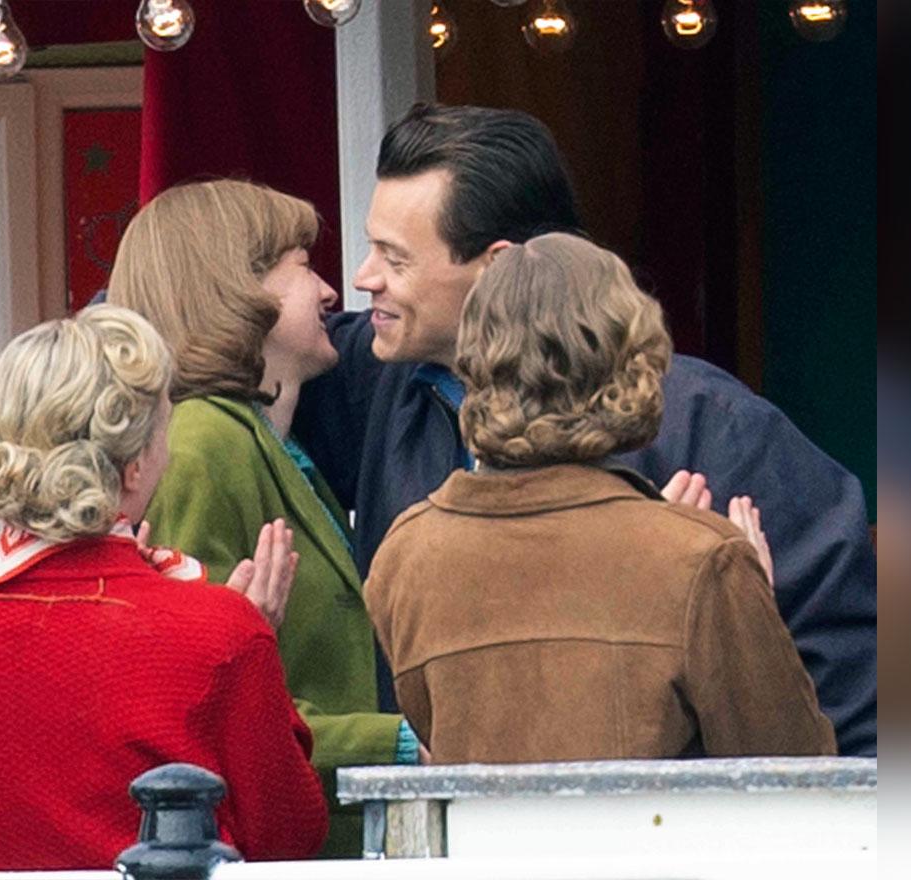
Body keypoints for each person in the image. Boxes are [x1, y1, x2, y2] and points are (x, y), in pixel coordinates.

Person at [294, 103, 877, 757]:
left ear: (499, 269)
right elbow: (237, 339)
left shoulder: (722, 430)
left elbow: (848, 709)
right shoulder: (377, 377)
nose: (361, 278)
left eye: (394, 258)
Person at [367, 234, 835, 761]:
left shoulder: (405, 554)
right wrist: (748, 604)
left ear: (475, 362)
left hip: (485, 845)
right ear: (629, 360)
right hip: (649, 844)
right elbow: (792, 776)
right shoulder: (705, 560)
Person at [0, 305, 327, 869]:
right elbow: (289, 834)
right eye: (166, 423)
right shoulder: (220, 629)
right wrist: (241, 636)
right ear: (133, 465)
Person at [107, 180, 416, 858]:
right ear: (234, 290)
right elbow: (202, 697)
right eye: (303, 267)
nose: (334, 294)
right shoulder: (201, 446)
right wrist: (396, 742)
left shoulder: (264, 443)